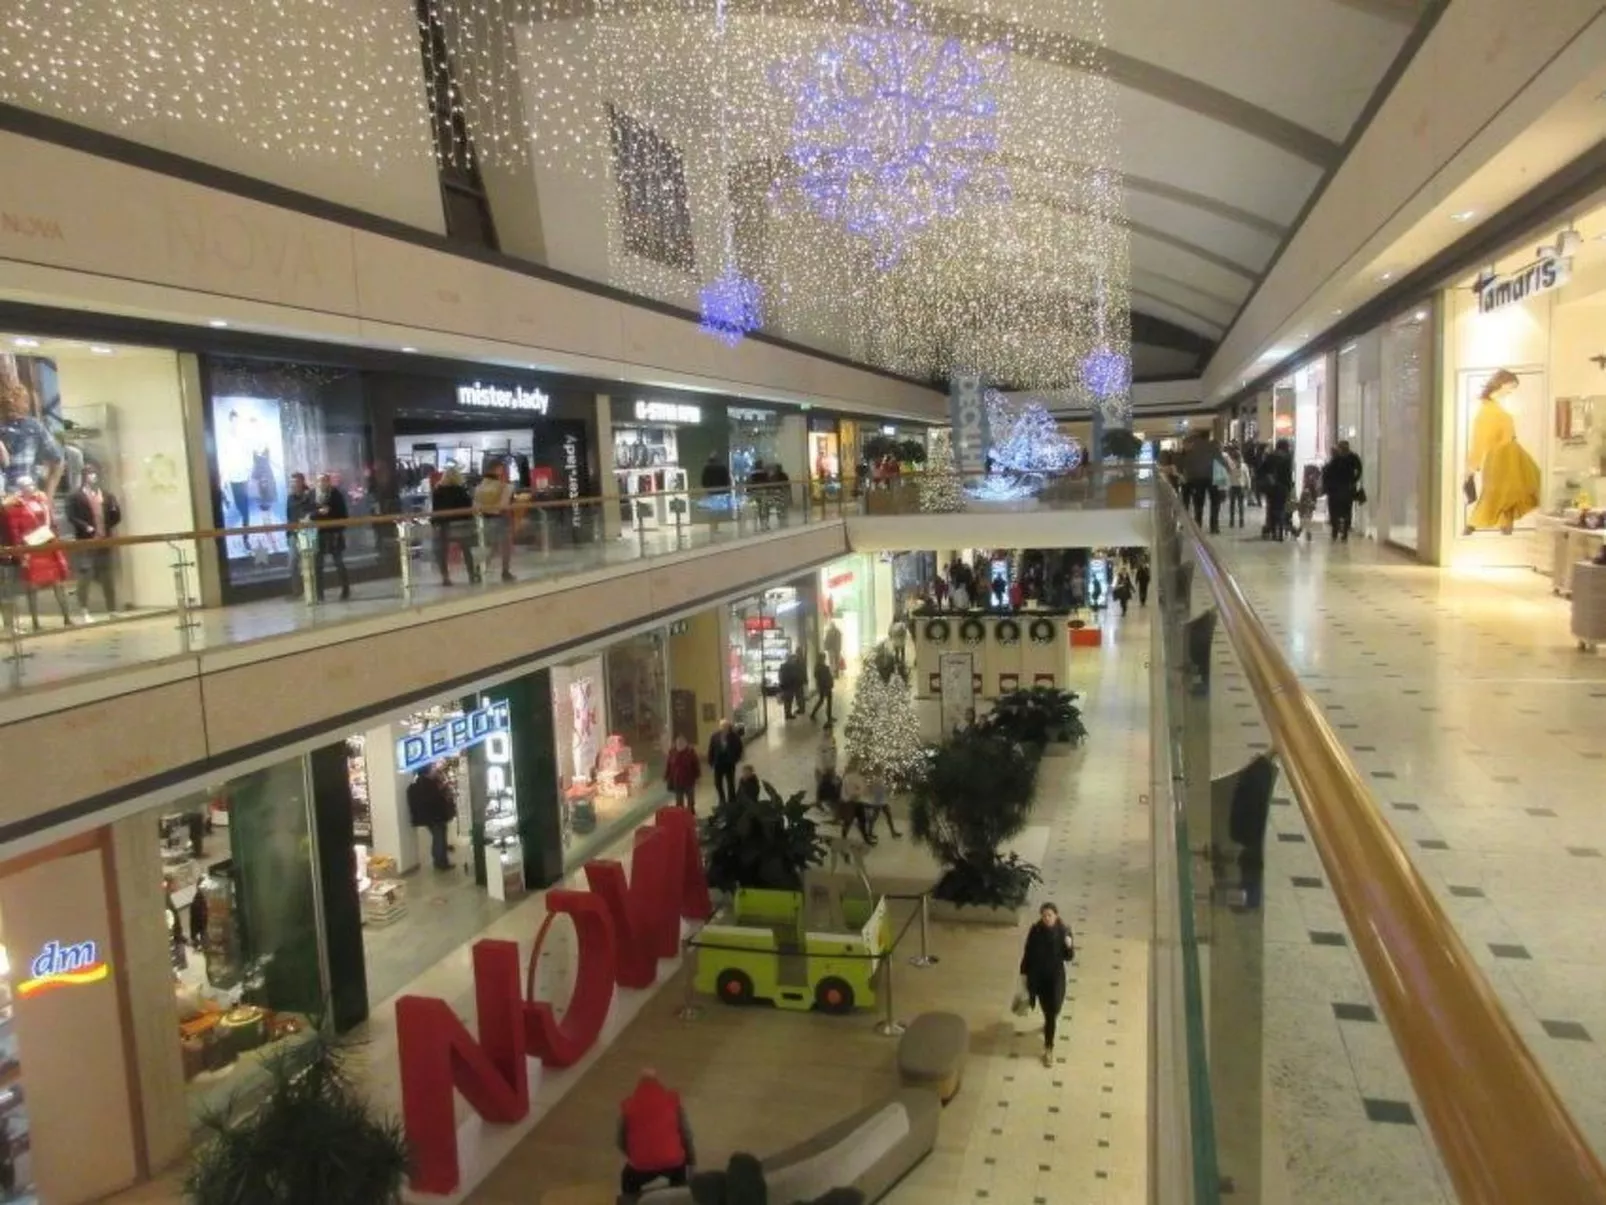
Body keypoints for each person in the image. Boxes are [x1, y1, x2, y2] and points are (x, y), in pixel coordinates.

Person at [1464, 368, 1540, 535]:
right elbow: (1479, 440)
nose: (1512, 391)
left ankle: (1504, 527)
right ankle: (1472, 525)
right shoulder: (1487, 410)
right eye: (1511, 386)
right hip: (1501, 456)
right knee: (1497, 492)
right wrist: (1472, 465)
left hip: (1512, 453)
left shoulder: (1494, 407)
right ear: (1502, 383)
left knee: (1515, 490)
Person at [617, 1070, 696, 1197]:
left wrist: (635, 1155)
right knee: (680, 1182)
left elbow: (620, 1140)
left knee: (627, 1180)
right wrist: (691, 1164)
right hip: (674, 1162)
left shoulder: (629, 1106)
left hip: (641, 1166)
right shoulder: (672, 1101)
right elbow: (687, 1136)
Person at [1019, 901, 1075, 1067]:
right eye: (1044, 916)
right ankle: (1048, 1047)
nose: (1046, 918)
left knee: (1055, 1008)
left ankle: (1048, 1032)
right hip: (1040, 978)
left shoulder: (1064, 931)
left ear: (1056, 916)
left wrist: (1069, 946)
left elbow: (1069, 957)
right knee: (1048, 1012)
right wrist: (1023, 974)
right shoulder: (1035, 931)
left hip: (1056, 978)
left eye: (1049, 915)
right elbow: (1027, 952)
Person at [66, 464, 122, 617]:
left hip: (104, 540)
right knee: (85, 576)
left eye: (94, 474)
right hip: (86, 541)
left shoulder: (106, 495)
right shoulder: (75, 496)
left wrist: (113, 511)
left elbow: (116, 516)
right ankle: (84, 610)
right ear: (84, 476)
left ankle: (112, 609)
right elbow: (71, 516)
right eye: (89, 474)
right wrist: (86, 527)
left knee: (107, 577)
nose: (93, 477)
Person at [431, 466, 479, 586]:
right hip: (463, 526)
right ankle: (472, 574)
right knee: (467, 551)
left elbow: (436, 511)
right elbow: (469, 509)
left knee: (441, 552)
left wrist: (435, 523)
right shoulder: (462, 491)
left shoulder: (438, 492)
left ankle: (445, 577)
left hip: (445, 526)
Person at [406, 762, 456, 871]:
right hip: (435, 816)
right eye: (432, 768)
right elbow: (434, 799)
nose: (435, 769)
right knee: (439, 839)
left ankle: (438, 860)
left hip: (427, 817)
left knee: (437, 838)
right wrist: (443, 790)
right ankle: (441, 863)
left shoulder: (416, 784)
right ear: (428, 771)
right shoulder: (428, 784)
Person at [473, 459, 517, 582]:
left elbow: (476, 506)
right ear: (497, 469)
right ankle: (505, 571)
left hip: (485, 519)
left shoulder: (479, 487)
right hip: (501, 518)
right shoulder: (504, 486)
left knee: (489, 546)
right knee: (505, 546)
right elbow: (504, 505)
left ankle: (479, 569)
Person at [312, 472, 351, 601]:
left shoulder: (336, 495)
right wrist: (318, 513)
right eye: (320, 481)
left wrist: (331, 512)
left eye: (325, 480)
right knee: (318, 565)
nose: (322, 483)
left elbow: (343, 514)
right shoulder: (312, 495)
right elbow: (308, 513)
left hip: (334, 533)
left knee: (339, 562)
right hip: (318, 534)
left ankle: (345, 589)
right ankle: (319, 593)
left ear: (329, 482)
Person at [1321, 440, 1364, 543]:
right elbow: (1359, 470)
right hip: (1347, 488)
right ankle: (1344, 532)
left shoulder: (1337, 458)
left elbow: (1328, 473)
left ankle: (1336, 531)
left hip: (1336, 489)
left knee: (1334, 510)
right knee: (1346, 511)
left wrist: (1327, 485)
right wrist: (1354, 480)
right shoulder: (1353, 457)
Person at [1259, 439, 1295, 542]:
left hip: (1271, 487)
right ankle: (1280, 531)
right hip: (1283, 487)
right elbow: (1288, 474)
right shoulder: (1287, 458)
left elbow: (1261, 470)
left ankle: (1273, 530)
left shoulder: (1270, 456)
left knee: (1271, 508)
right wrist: (1289, 487)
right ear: (1285, 447)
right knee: (1281, 508)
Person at [706, 718, 744, 806]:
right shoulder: (715, 736)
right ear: (720, 727)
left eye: (726, 726)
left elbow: (739, 748)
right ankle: (722, 799)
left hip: (729, 763)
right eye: (722, 726)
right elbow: (711, 749)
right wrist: (710, 761)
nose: (724, 728)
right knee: (717, 783)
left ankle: (732, 799)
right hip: (718, 763)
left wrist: (736, 759)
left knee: (730, 782)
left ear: (729, 727)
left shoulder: (734, 737)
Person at [664, 735, 701, 811]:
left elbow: (696, 765)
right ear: (676, 743)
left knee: (690, 799)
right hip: (677, 780)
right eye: (678, 743)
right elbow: (669, 765)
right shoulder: (672, 752)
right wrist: (666, 776)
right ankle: (680, 814)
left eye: (682, 743)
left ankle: (691, 813)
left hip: (689, 779)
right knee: (679, 800)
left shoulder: (690, 752)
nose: (680, 744)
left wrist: (697, 777)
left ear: (686, 743)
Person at [778, 649, 807, 719]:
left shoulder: (783, 665)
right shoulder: (792, 666)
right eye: (792, 659)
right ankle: (788, 714)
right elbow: (794, 675)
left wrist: (781, 682)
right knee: (789, 700)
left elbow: (780, 675)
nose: (793, 660)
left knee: (787, 701)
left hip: (786, 685)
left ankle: (787, 713)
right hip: (790, 685)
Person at [810, 651, 836, 724]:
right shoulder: (821, 667)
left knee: (821, 701)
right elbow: (824, 677)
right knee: (828, 702)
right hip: (825, 687)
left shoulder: (818, 666)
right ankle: (829, 718)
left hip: (823, 686)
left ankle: (814, 714)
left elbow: (817, 676)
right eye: (823, 657)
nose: (824, 659)